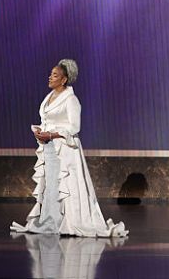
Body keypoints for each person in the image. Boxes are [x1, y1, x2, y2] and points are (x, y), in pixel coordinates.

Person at [10, 59, 127, 237]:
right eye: (50, 74)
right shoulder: (49, 97)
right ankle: (52, 220)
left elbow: (74, 127)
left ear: (64, 80)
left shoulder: (71, 99)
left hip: (65, 149)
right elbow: (48, 120)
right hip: (49, 149)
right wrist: (41, 131)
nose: (50, 77)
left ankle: (71, 221)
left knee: (67, 185)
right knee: (52, 185)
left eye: (55, 75)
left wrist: (52, 134)